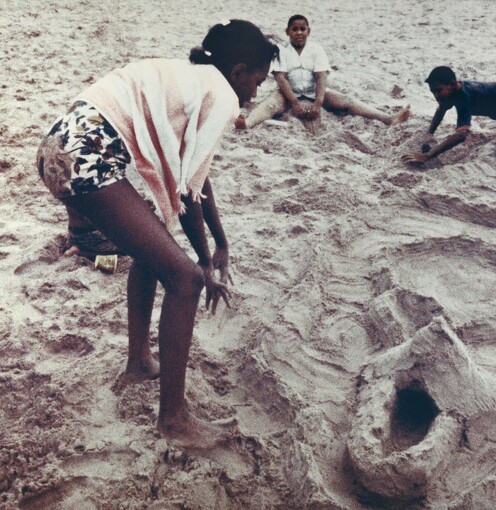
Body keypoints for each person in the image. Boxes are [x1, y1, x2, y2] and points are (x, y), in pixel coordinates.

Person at [36, 20, 279, 448]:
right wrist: (204, 261)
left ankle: (138, 363)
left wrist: (218, 244)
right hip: (88, 161)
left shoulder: (188, 74)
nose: (255, 94)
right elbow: (189, 190)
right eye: (257, 81)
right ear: (239, 70)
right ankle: (174, 419)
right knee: (185, 280)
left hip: (57, 150)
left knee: (157, 254)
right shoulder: (220, 93)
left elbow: (196, 180)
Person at [234, 14, 410, 130]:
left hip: (314, 92)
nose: (299, 33)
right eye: (294, 29)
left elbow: (321, 77)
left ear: (308, 31)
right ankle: (247, 123)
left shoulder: (316, 50)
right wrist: (294, 102)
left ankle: (388, 118)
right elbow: (281, 78)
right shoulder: (281, 50)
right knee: (270, 104)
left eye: (302, 29)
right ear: (287, 32)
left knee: (347, 101)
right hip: (287, 93)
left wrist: (318, 103)